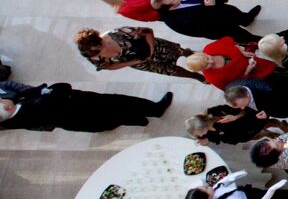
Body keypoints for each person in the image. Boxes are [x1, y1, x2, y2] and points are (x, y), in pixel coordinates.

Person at [1, 79, 171, 133]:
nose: (4, 99)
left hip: (79, 120)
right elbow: (63, 87)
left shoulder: (12, 120)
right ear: (8, 109)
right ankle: (156, 109)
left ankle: (139, 120)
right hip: (87, 107)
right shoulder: (39, 105)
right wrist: (49, 90)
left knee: (119, 115)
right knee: (123, 103)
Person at [74, 25, 201, 81]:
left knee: (179, 51)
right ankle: (196, 77)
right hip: (143, 63)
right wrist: (133, 62)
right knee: (172, 71)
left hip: (156, 47)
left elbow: (147, 31)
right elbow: (108, 66)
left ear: (100, 41)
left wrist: (151, 49)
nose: (96, 55)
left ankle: (192, 55)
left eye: (97, 51)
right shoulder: (92, 56)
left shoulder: (118, 33)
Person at [151, 0, 261, 42]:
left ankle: (246, 19)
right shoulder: (178, 22)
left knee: (235, 13)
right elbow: (207, 24)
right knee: (241, 35)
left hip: (221, 9)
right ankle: (264, 41)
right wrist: (211, 7)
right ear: (171, 8)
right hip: (218, 26)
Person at [186, 36, 275, 89]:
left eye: (207, 58)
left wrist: (241, 51)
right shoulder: (213, 78)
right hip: (260, 74)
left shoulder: (210, 48)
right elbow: (236, 87)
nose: (211, 61)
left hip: (261, 56)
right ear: (202, 69)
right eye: (207, 65)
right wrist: (247, 71)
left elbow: (231, 42)